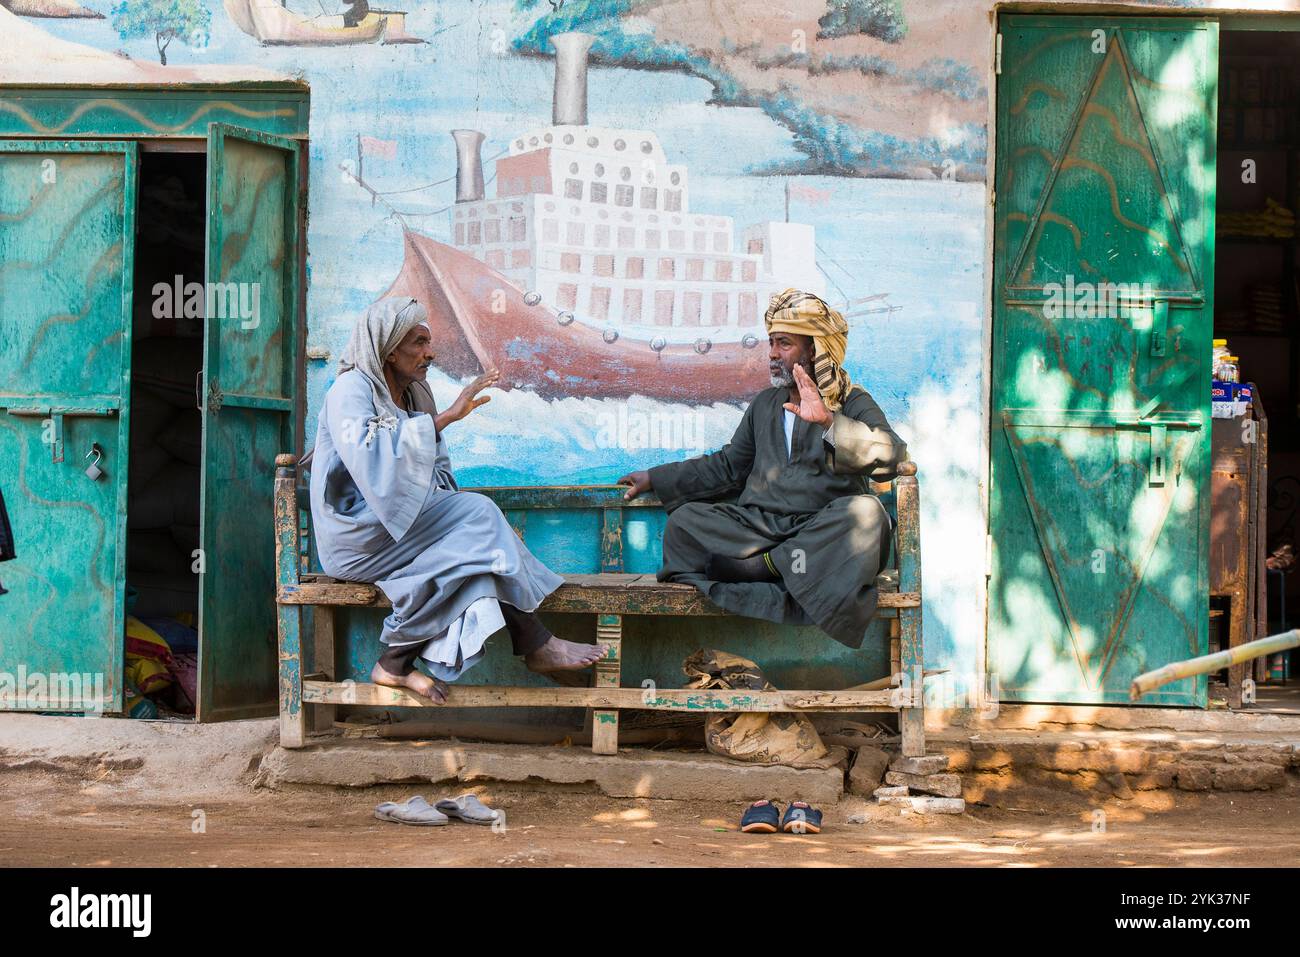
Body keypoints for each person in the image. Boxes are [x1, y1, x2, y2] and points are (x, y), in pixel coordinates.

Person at [310, 297, 605, 704]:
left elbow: (439, 472)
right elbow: (369, 457)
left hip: (402, 530)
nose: (430, 352)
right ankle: (536, 643)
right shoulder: (351, 389)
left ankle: (394, 664)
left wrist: (447, 513)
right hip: (357, 538)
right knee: (478, 513)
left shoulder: (416, 393)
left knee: (479, 562)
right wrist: (445, 419)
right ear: (389, 348)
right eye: (418, 342)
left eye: (429, 342)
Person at [618, 289, 907, 649]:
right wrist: (658, 478)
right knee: (685, 521)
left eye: (784, 343)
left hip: (818, 532)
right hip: (760, 529)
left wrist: (829, 422)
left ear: (814, 349)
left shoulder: (852, 401)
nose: (772, 353)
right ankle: (779, 566)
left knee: (866, 514)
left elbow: (892, 455)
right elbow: (727, 466)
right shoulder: (766, 404)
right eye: (771, 343)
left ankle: (766, 568)